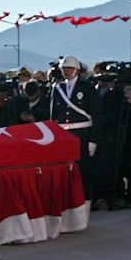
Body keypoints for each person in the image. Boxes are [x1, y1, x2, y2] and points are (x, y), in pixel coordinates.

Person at [48, 55, 100, 196]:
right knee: (65, 170)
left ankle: (85, 201)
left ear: (77, 70)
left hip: (82, 134)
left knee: (84, 171)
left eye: (69, 68)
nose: (66, 71)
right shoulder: (58, 88)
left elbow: (96, 116)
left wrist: (93, 140)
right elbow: (53, 118)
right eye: (64, 68)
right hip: (64, 136)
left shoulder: (87, 87)